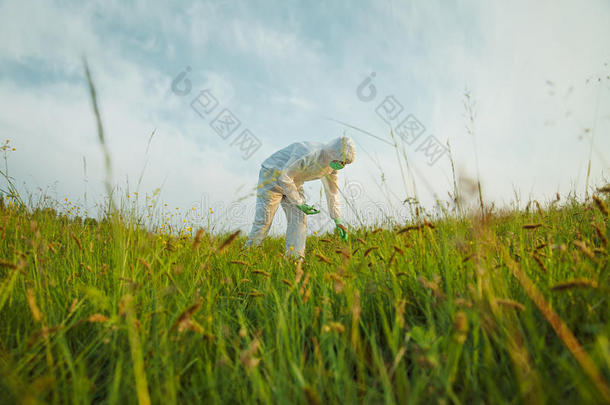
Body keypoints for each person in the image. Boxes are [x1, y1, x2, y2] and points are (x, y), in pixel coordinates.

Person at [245, 136, 356, 257]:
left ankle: (295, 260)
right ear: (333, 153)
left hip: (294, 183)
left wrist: (337, 219)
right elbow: (285, 177)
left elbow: (332, 191)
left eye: (345, 163)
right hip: (272, 176)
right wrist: (299, 203)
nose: (342, 165)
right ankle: (248, 255)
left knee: (299, 221)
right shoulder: (309, 152)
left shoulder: (331, 166)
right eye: (341, 162)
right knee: (264, 221)